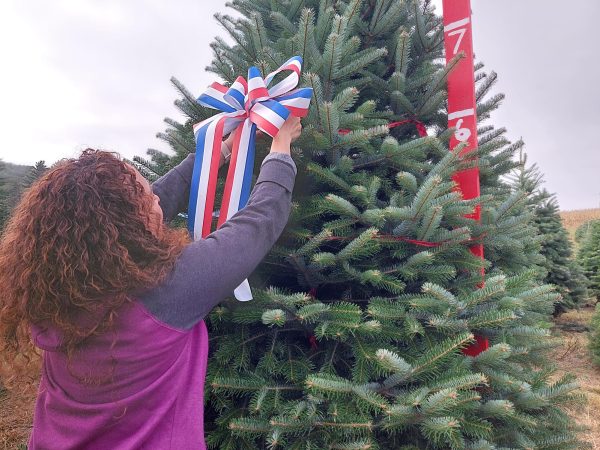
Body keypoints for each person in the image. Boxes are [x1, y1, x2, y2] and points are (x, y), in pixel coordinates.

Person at [0, 116, 302, 449]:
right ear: (126, 223)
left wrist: (221, 152)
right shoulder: (166, 290)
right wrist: (280, 149)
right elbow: (255, 226)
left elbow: (152, 200)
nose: (157, 199)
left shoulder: (58, 289)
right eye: (147, 199)